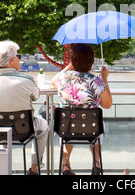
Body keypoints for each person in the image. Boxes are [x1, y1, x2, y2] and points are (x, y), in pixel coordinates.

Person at [0, 40, 49, 175]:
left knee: (5, 128)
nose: (19, 60)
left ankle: (3, 170)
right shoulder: (26, 80)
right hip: (24, 129)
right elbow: (36, 96)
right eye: (18, 57)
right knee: (44, 126)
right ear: (11, 61)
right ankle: (34, 168)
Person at [51, 43, 112, 175]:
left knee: (66, 126)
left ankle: (66, 165)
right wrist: (105, 79)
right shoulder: (96, 81)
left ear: (73, 60)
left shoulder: (63, 79)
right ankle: (96, 163)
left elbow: (53, 81)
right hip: (91, 128)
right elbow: (107, 105)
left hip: (67, 128)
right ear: (91, 61)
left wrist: (71, 64)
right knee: (100, 125)